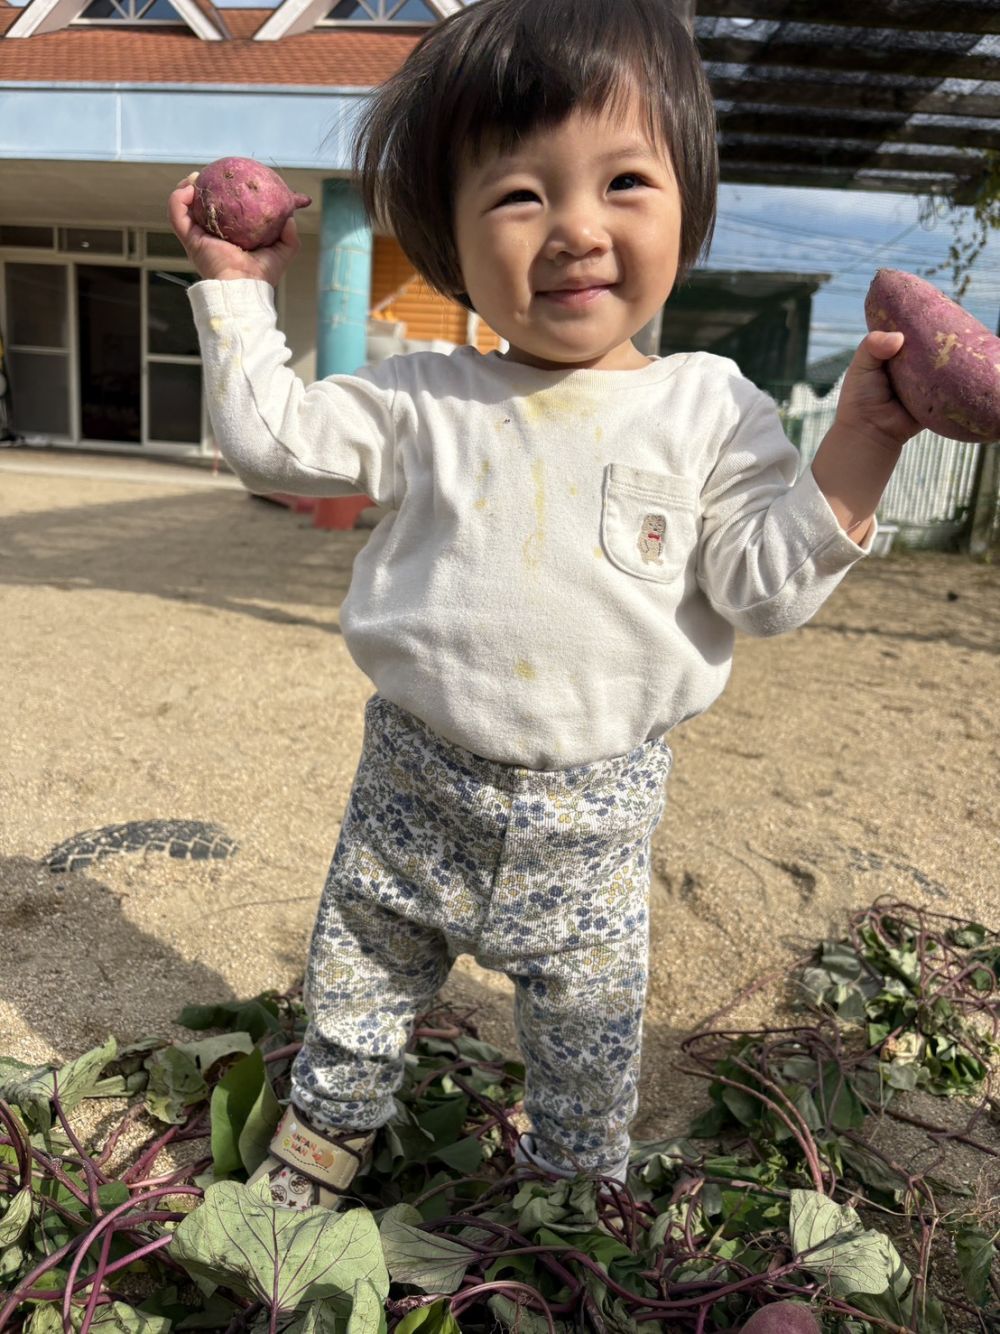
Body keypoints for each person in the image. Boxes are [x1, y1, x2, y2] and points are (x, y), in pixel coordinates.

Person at [168, 0, 918, 1213]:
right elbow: (272, 443)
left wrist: (862, 447)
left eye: (624, 180)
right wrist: (238, 287)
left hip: (598, 814)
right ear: (451, 239)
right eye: (518, 196)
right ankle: (320, 1143)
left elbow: (762, 590)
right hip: (416, 782)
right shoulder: (424, 396)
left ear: (689, 204)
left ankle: (575, 1199)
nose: (574, 227)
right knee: (358, 974)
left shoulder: (710, 408)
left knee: (590, 1031)